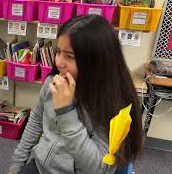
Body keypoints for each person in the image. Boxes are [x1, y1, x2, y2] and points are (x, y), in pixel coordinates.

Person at [9, 15, 143, 174]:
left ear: (96, 62)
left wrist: (66, 112)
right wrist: (16, 166)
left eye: (69, 56)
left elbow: (97, 168)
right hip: (41, 166)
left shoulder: (113, 105)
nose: (58, 62)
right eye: (58, 51)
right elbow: (36, 122)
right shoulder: (54, 82)